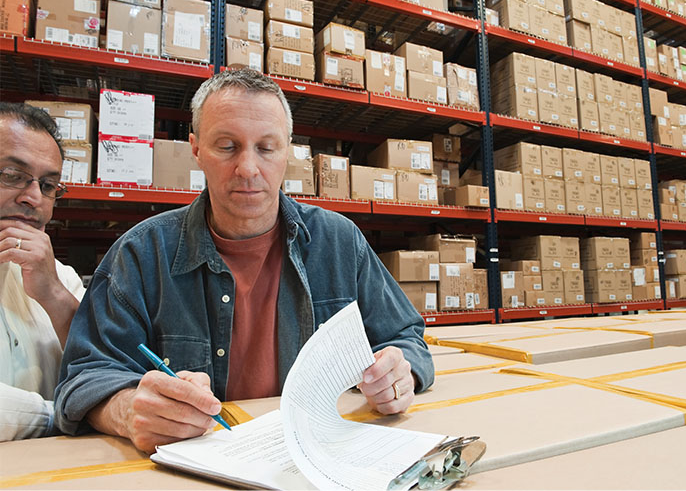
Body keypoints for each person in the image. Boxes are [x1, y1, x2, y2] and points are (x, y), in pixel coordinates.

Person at [55, 68, 434, 453]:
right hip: (196, 468)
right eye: (227, 146)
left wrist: (400, 372)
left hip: (322, 454)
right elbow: (83, 376)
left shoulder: (338, 242)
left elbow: (406, 337)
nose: (249, 169)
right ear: (196, 149)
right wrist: (126, 410)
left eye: (267, 148)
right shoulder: (141, 254)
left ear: (288, 151)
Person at [0, 103, 85, 440]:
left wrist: (53, 296)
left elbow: (110, 373)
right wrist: (61, 416)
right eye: (11, 176)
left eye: (49, 185)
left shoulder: (62, 279)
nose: (33, 197)